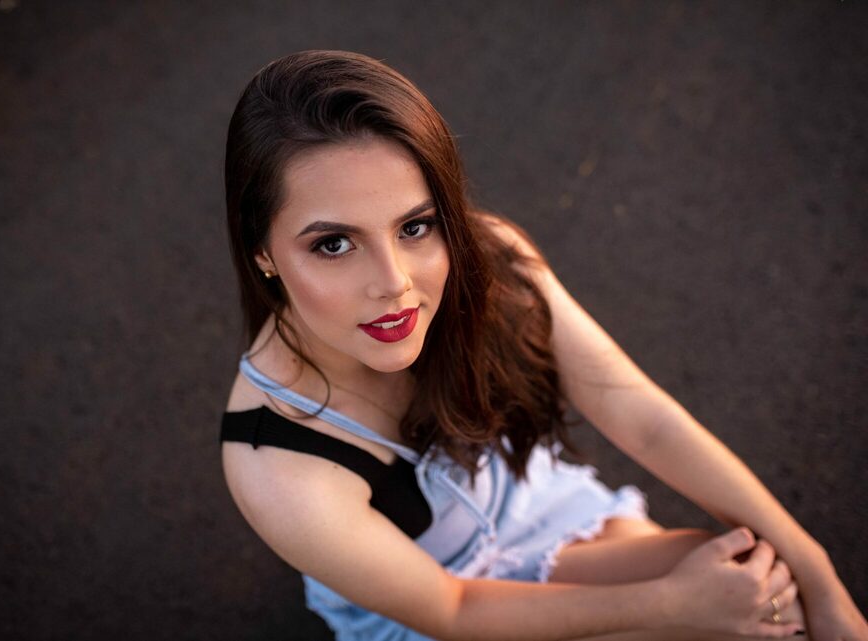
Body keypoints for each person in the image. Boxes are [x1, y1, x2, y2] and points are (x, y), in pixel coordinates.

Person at [219, 50, 866, 641]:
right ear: (262, 252)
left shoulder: (489, 260)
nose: (394, 283)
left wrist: (819, 574)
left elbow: (640, 415)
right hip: (434, 608)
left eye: (415, 226)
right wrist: (673, 604)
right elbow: (453, 609)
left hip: (536, 516)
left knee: (762, 589)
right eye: (334, 243)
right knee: (709, 620)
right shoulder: (277, 465)